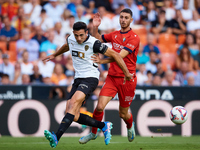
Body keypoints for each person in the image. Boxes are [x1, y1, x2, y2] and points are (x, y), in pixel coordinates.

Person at [42, 21, 132, 148]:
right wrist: (55, 54)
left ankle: (56, 137)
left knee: (73, 104)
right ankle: (103, 126)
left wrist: (127, 73)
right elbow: (67, 45)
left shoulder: (94, 43)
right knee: (72, 113)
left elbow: (115, 55)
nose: (79, 38)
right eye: (76, 35)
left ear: (86, 33)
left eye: (81, 35)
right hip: (77, 79)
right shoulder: (71, 39)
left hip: (90, 78)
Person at [79, 8, 139, 144]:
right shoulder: (115, 34)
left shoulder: (134, 38)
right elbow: (97, 39)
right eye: (121, 17)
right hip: (112, 77)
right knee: (99, 107)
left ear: (131, 20)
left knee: (123, 113)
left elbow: (119, 56)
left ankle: (130, 125)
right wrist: (95, 27)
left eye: (126, 18)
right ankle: (93, 134)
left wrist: (102, 61)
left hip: (127, 78)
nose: (123, 20)